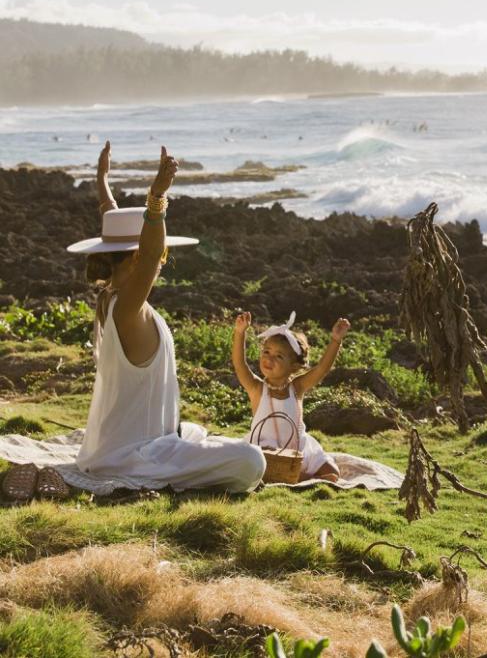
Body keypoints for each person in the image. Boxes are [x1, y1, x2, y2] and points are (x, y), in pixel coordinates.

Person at [67, 140, 265, 493]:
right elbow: (150, 251)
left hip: (124, 446)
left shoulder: (109, 298)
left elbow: (118, 229)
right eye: (153, 257)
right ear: (136, 259)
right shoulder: (128, 308)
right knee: (252, 461)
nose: (161, 260)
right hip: (137, 457)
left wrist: (102, 183)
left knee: (193, 432)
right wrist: (156, 199)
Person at [232, 310, 350, 482]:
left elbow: (321, 369)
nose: (269, 358)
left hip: (298, 448)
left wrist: (335, 340)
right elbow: (239, 363)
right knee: (259, 466)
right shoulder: (256, 388)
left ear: (294, 366)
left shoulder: (297, 387)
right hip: (265, 449)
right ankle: (302, 478)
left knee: (332, 471)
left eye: (279, 356)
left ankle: (298, 475)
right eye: (266, 352)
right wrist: (240, 332)